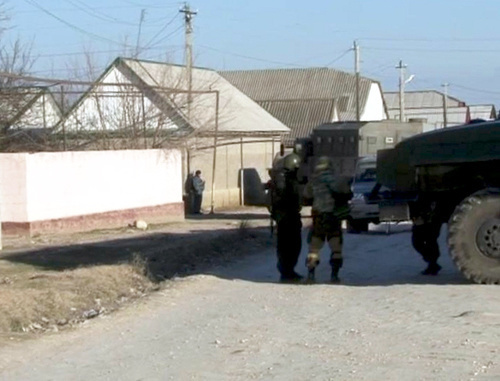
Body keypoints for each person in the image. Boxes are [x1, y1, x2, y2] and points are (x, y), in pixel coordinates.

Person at [303, 156, 352, 282]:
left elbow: (306, 197)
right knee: (336, 248)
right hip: (334, 217)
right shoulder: (338, 179)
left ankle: (311, 275)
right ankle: (334, 276)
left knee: (314, 247)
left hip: (319, 217)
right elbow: (347, 194)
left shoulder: (313, 181)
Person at [269, 152, 303, 282]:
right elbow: (284, 199)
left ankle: (288, 270)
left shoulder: (285, 178)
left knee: (290, 245)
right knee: (290, 245)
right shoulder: (284, 180)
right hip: (287, 217)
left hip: (288, 216)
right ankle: (286, 271)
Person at [409, 197, 443, 275]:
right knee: (420, 241)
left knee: (430, 240)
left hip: (431, 217)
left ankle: (432, 263)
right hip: (422, 216)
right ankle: (432, 263)